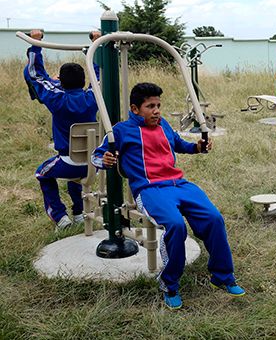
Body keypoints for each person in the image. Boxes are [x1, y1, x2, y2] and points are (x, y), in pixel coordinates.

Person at [92, 82, 245, 310]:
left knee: (214, 218)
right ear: (135, 109)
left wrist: (198, 148)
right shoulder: (121, 131)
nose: (156, 111)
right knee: (175, 225)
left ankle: (222, 276)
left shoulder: (163, 125)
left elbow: (180, 144)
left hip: (179, 184)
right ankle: (169, 283)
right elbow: (96, 155)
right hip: (149, 189)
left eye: (158, 105)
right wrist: (103, 160)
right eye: (150, 106)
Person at [25, 62, 98, 230]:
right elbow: (100, 77)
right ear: (83, 80)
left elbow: (35, 75)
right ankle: (79, 213)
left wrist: (35, 45)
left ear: (62, 83)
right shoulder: (93, 97)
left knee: (42, 174)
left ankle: (60, 216)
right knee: (76, 178)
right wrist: (95, 51)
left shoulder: (57, 99)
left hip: (68, 163)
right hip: (93, 163)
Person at [23, 29, 60, 101]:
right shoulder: (87, 98)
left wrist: (36, 43)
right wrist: (54, 81)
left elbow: (35, 73)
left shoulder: (56, 95)